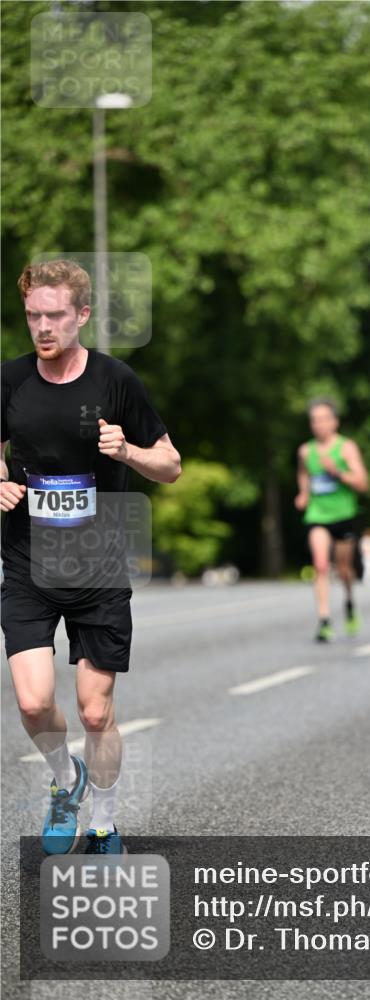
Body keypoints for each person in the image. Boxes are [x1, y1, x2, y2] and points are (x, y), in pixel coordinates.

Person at [1, 260, 181, 856]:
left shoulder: (115, 380)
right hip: (27, 562)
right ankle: (65, 780)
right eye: (33, 316)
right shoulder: (10, 381)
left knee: (96, 713)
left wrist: (127, 451)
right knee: (33, 701)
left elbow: (171, 465)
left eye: (54, 315)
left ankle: (103, 824)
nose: (42, 327)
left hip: (100, 567)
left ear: (82, 314)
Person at [295, 399, 369, 642]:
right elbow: (303, 474)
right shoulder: (306, 451)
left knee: (344, 569)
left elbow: (363, 484)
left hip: (344, 515)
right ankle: (324, 619)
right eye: (314, 420)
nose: (319, 425)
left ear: (335, 422)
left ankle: (349, 601)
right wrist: (303, 494)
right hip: (317, 515)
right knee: (321, 565)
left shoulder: (346, 448)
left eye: (324, 419)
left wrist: (337, 472)